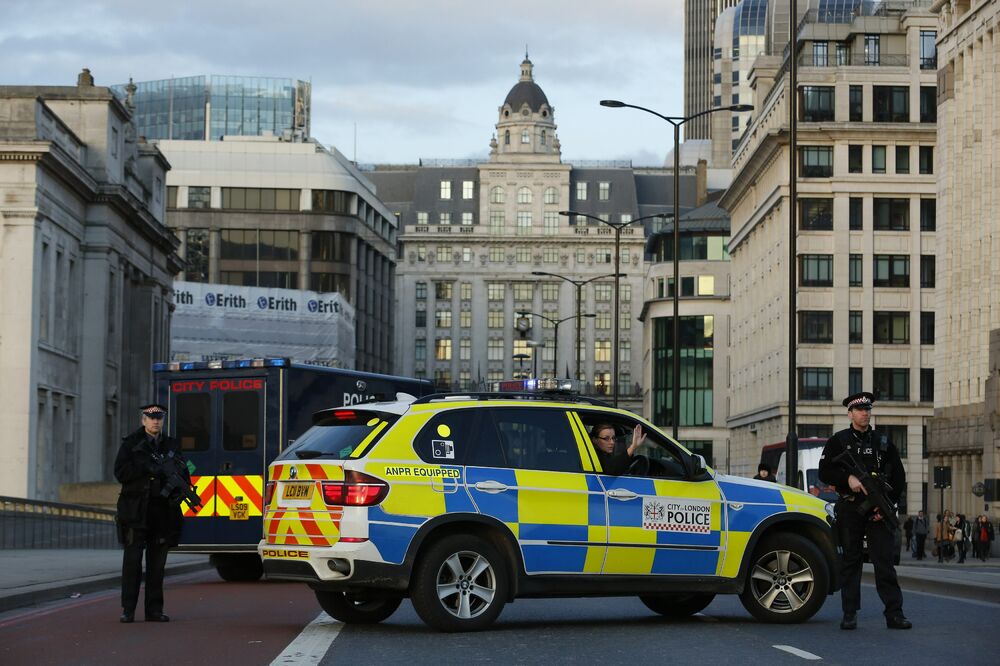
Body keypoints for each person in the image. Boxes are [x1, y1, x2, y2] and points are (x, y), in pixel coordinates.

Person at [818, 391, 911, 631]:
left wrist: (887, 505)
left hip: (878, 511)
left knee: (884, 563)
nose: (865, 414)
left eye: (868, 410)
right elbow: (825, 472)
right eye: (860, 410)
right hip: (850, 507)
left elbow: (899, 476)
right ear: (850, 413)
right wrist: (846, 478)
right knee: (851, 561)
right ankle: (849, 613)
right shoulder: (838, 441)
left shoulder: (882, 441)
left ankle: (894, 613)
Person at [114, 403, 190, 623]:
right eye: (151, 417)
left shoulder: (172, 445)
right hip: (136, 511)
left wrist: (178, 479)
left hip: (162, 511)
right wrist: (147, 468)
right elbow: (120, 472)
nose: (156, 421)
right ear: (143, 420)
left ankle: (154, 610)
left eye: (159, 417)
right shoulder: (130, 444)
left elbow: (187, 469)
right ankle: (128, 609)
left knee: (157, 565)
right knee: (132, 562)